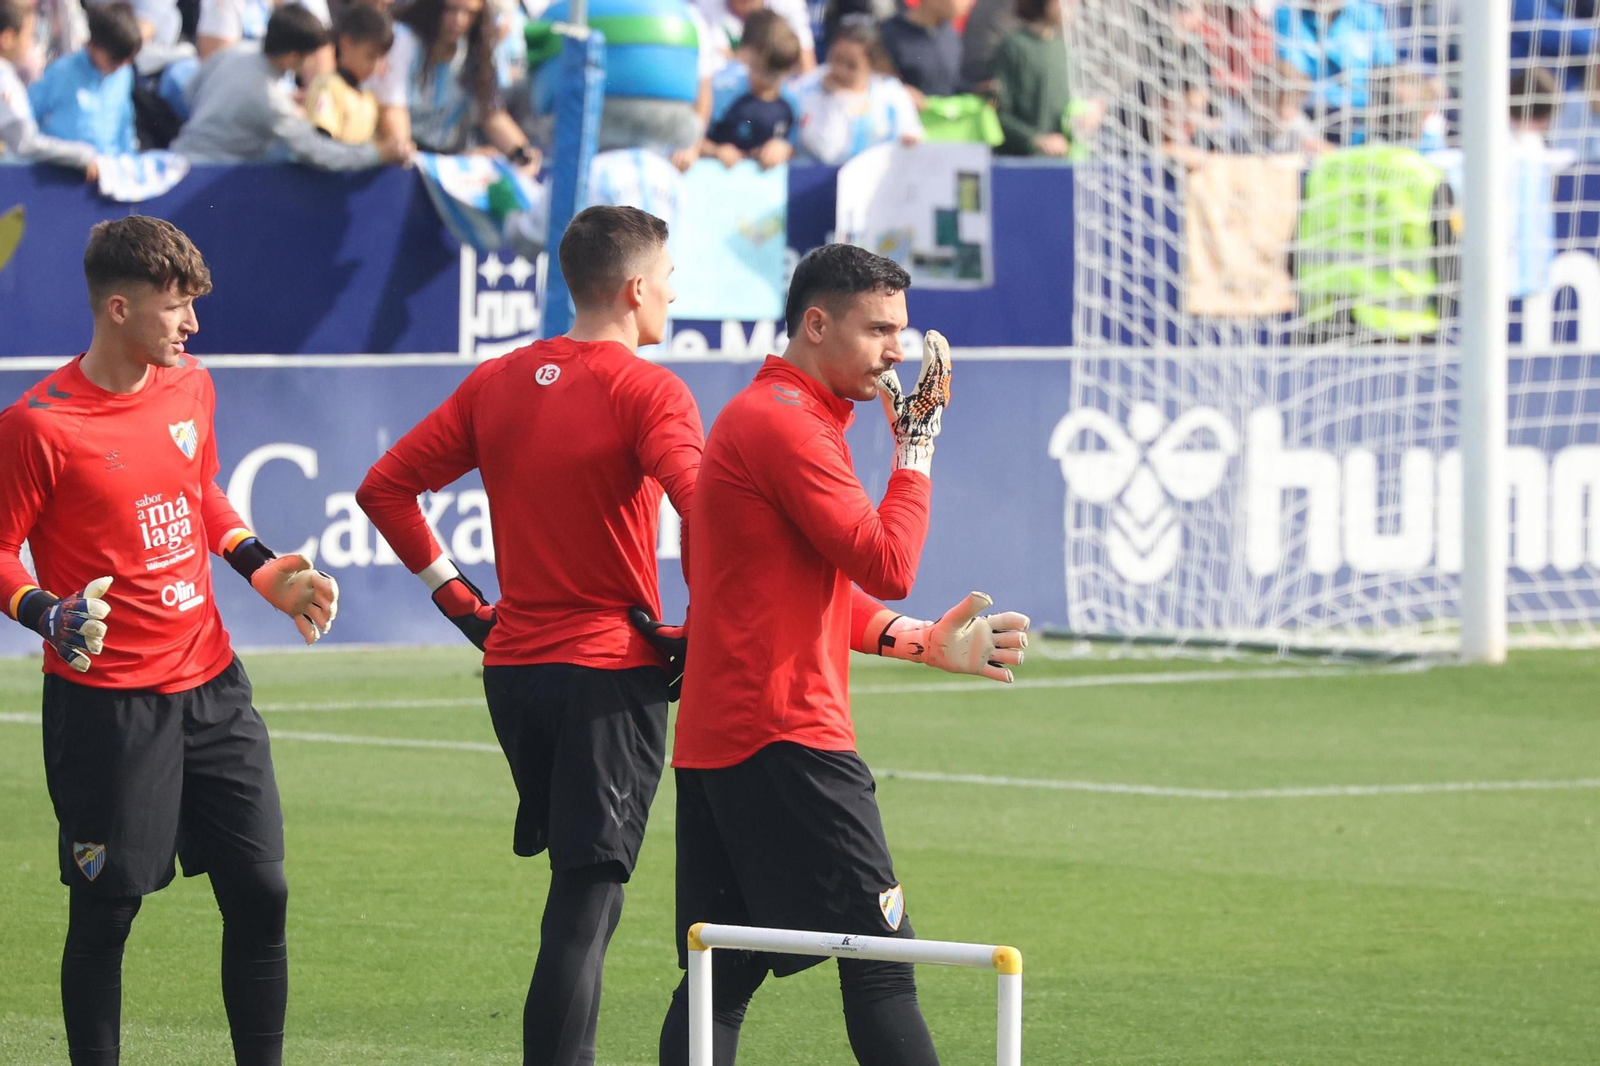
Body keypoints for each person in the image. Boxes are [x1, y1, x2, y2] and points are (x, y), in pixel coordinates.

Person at [654, 243, 1030, 1066]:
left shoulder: (767, 417)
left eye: (901, 330)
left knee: (724, 971)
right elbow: (887, 562)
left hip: (724, 741)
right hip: (787, 736)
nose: (898, 351)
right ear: (817, 324)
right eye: (879, 330)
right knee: (882, 960)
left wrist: (921, 641)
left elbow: (796, 592)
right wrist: (916, 451)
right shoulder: (786, 425)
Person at [355, 205, 702, 1066]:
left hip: (514, 672)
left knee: (580, 897)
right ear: (635, 289)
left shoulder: (499, 380)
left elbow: (383, 489)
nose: (674, 291)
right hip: (605, 676)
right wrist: (703, 630)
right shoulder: (651, 390)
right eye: (668, 277)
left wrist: (460, 602)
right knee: (586, 904)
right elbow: (707, 511)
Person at [0, 216, 340, 1066]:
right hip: (106, 709)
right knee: (107, 912)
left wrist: (264, 572)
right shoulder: (37, 426)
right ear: (119, 309)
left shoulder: (192, 385)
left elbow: (202, 492)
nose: (192, 323)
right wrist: (46, 612)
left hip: (212, 685)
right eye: (176, 306)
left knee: (262, 892)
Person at [173, 5, 411, 167]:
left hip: (181, 157)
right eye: (310, 55)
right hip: (211, 172)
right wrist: (377, 154)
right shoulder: (270, 100)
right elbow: (318, 152)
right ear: (292, 57)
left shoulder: (234, 53)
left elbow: (189, 93)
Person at [373, 0, 539, 168]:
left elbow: (490, 113)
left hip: (444, 156)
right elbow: (392, 113)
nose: (459, 20)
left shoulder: (475, 47)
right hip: (401, 161)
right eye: (451, 9)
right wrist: (448, 163)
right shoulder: (403, 39)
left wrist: (522, 154)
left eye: (470, 13)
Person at [792, 15, 923, 164]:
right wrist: (835, 99)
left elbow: (911, 133)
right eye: (836, 59)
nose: (841, 71)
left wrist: (908, 139)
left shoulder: (890, 91)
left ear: (872, 65)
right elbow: (826, 152)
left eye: (852, 66)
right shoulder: (807, 88)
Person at [0, 0, 99, 176]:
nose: (30, 43)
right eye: (28, 36)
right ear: (7, 39)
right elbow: (25, 143)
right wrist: (82, 155)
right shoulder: (5, 81)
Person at [27, 0, 139, 155]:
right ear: (92, 46)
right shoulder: (61, 73)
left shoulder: (124, 75)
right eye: (114, 60)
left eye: (125, 62)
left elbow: (125, 128)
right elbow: (27, 119)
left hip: (109, 165)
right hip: (60, 164)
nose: (119, 67)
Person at [701, 8, 800, 168]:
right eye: (764, 71)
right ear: (750, 57)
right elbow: (690, 140)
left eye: (779, 75)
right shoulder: (723, 90)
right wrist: (715, 150)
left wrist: (784, 149)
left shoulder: (791, 102)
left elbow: (794, 145)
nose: (771, 81)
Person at [305, 0, 393, 144]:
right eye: (370, 56)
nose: (375, 65)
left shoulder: (368, 97)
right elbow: (321, 144)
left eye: (380, 58)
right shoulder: (328, 87)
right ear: (346, 43)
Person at [879, 0, 972, 104]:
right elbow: (877, 86)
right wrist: (901, 94)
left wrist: (976, 89)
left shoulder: (949, 33)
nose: (967, 3)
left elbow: (951, 82)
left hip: (946, 112)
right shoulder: (887, 36)